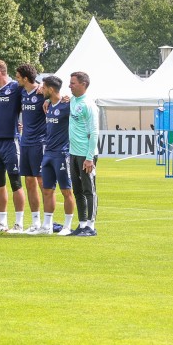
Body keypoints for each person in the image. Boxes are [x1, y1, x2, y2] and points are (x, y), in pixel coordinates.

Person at [0, 59, 25, 233]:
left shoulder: (16, 88)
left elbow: (36, 89)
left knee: (15, 182)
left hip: (10, 141)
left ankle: (19, 223)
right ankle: (2, 223)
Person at [35, 75, 76, 236]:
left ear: (51, 89)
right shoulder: (48, 105)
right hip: (48, 154)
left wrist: (71, 98)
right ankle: (47, 225)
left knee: (66, 191)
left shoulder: (68, 105)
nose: (41, 90)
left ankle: (67, 226)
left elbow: (83, 105)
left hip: (62, 154)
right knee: (47, 190)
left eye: (44, 87)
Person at [16, 64, 47, 234]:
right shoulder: (21, 92)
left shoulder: (42, 93)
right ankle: (36, 222)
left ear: (26, 78)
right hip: (25, 142)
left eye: (18, 76)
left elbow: (58, 95)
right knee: (29, 182)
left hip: (39, 143)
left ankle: (48, 221)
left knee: (42, 181)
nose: (16, 79)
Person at [68, 70, 99, 237]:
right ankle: (82, 224)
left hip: (86, 155)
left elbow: (94, 132)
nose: (69, 85)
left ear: (83, 84)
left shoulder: (89, 104)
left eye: (73, 83)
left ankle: (91, 226)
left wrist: (89, 158)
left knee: (89, 189)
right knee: (77, 190)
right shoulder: (73, 100)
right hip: (73, 153)